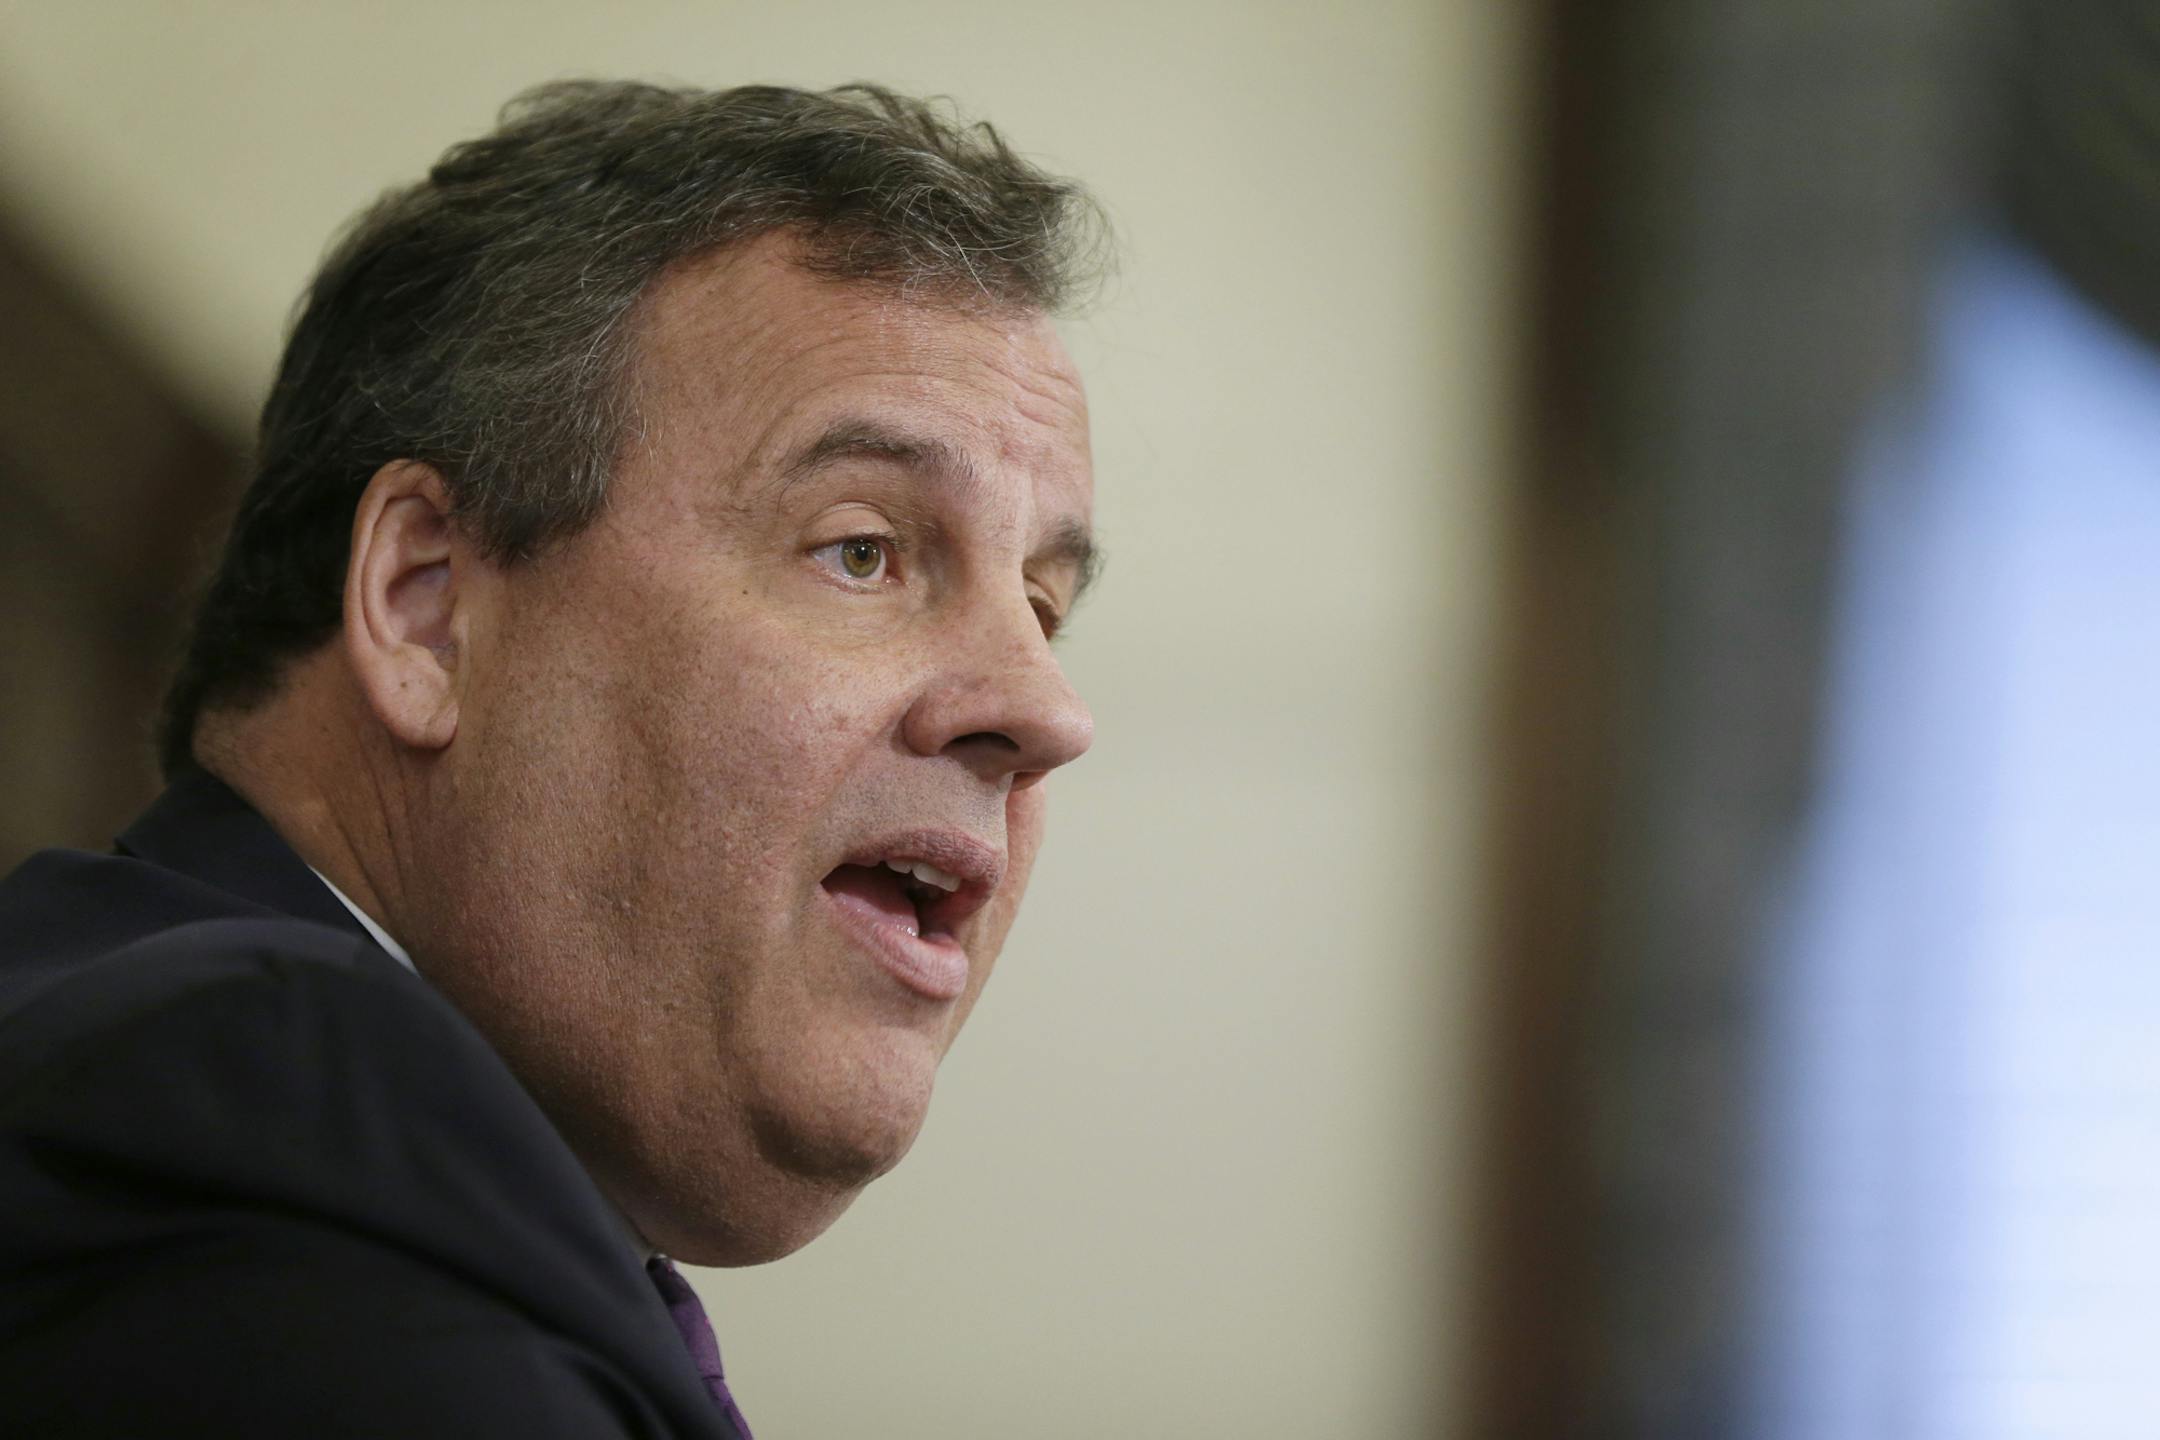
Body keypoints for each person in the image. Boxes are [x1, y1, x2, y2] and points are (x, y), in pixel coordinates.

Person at [0, 80, 1105, 1437]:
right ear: (423, 607)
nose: (1047, 709)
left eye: (1045, 608)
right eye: (861, 548)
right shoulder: (268, 1151)